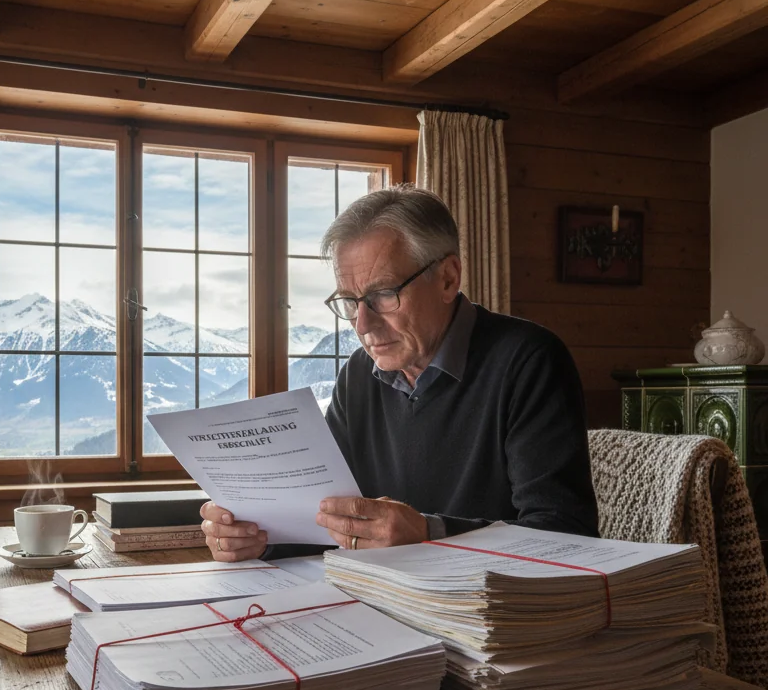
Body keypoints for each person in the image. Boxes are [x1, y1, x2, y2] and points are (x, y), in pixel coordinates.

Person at [200, 183, 599, 561]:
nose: (362, 324)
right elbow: (327, 519)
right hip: (381, 606)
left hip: (491, 613)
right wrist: (257, 539)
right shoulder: (358, 373)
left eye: (383, 295)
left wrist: (431, 534)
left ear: (448, 278)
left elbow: (565, 533)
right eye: (350, 301)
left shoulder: (529, 360)